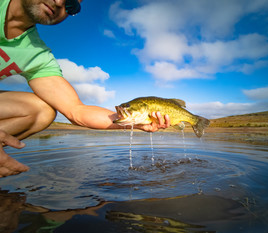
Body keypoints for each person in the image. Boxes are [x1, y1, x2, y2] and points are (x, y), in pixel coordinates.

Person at [0, 0, 170, 178]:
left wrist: (137, 122)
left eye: (71, 4)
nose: (59, 2)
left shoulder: (37, 56)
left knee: (42, 111)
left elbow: (76, 111)